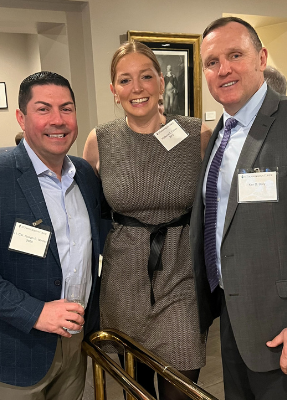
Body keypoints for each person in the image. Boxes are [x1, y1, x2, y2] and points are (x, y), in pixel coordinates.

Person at [191, 17, 287, 399]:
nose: (223, 69)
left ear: (261, 57)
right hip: (233, 317)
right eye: (212, 62)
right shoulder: (218, 136)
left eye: (235, 55)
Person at [0, 71, 105, 399]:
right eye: (43, 109)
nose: (57, 120)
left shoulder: (85, 174)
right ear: (21, 117)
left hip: (76, 339)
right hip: (18, 344)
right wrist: (36, 313)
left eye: (67, 108)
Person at [79, 41, 212, 400]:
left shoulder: (196, 135)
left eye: (145, 77)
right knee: (134, 390)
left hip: (180, 278)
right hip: (123, 281)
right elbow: (82, 210)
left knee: (181, 389)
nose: (136, 88)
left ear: (160, 82)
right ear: (113, 90)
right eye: (125, 80)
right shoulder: (100, 140)